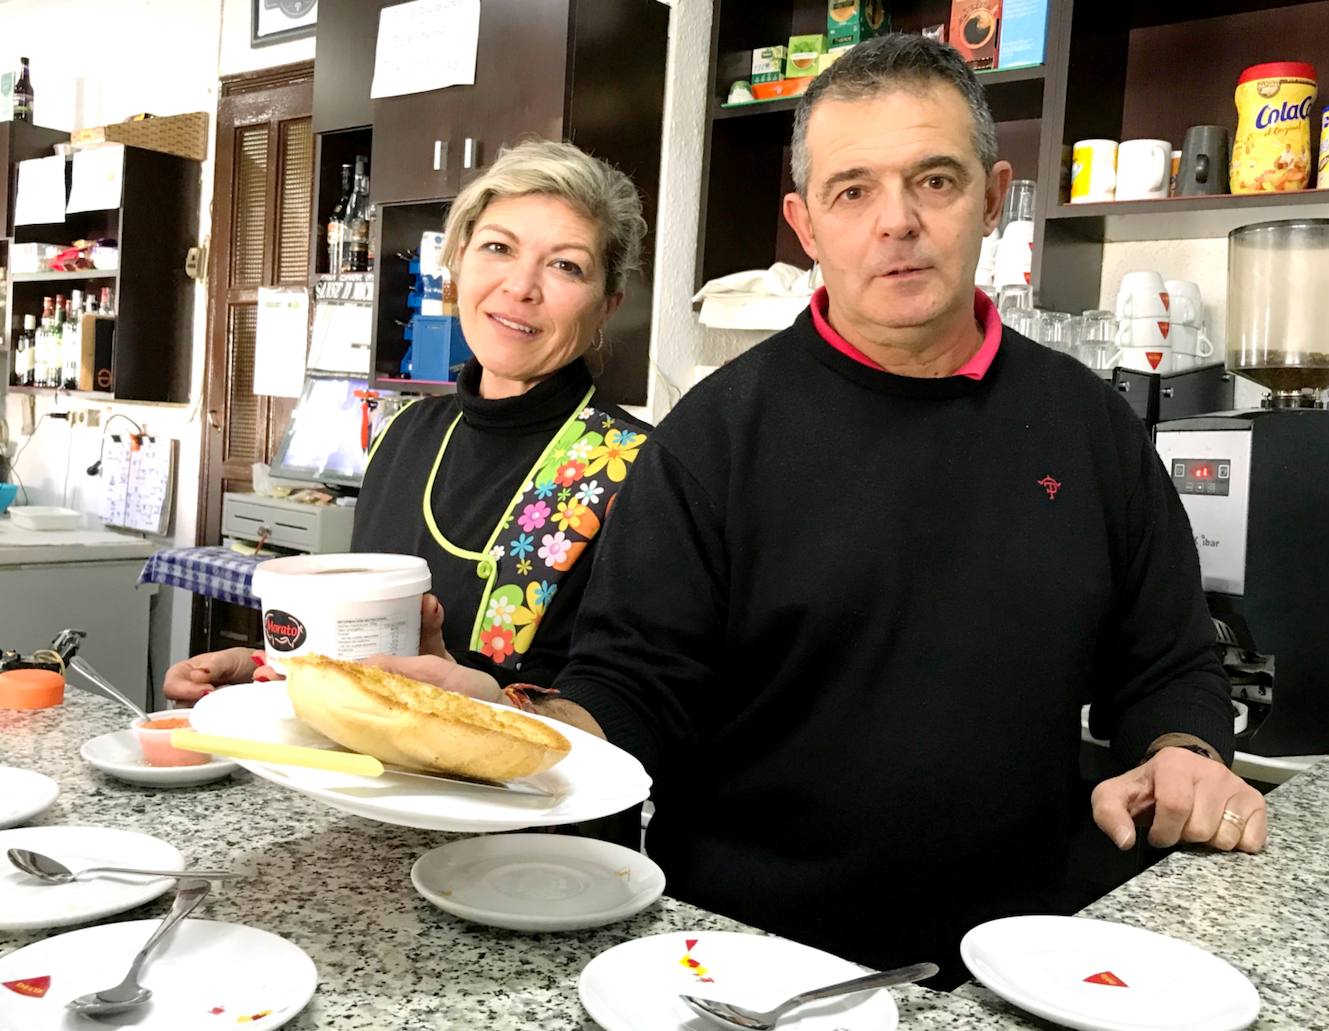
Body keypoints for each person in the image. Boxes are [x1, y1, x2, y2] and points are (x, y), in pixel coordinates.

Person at [385, 34, 1269, 984]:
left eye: (933, 181)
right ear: (805, 223)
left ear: (993, 195)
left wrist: (1184, 750)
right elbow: (636, 688)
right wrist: (517, 720)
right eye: (853, 191)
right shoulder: (713, 436)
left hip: (1023, 957)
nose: (897, 222)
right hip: (750, 964)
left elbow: (1171, 660)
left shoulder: (1089, 421)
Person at [164, 140, 650, 703]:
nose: (520, 287)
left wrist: (492, 701)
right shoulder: (408, 432)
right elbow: (357, 639)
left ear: (606, 304)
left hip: (513, 788)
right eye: (498, 248)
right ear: (458, 262)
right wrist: (262, 668)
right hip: (354, 782)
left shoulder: (632, 469)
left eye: (566, 265)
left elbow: (637, 710)